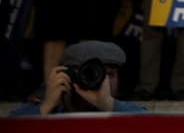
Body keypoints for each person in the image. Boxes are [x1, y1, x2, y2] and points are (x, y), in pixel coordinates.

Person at [9, 41, 146, 116]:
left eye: (109, 74)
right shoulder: (49, 108)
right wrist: (46, 106)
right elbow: (11, 130)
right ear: (68, 74)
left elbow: (151, 125)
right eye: (91, 73)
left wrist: (109, 105)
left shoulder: (122, 110)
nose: (102, 81)